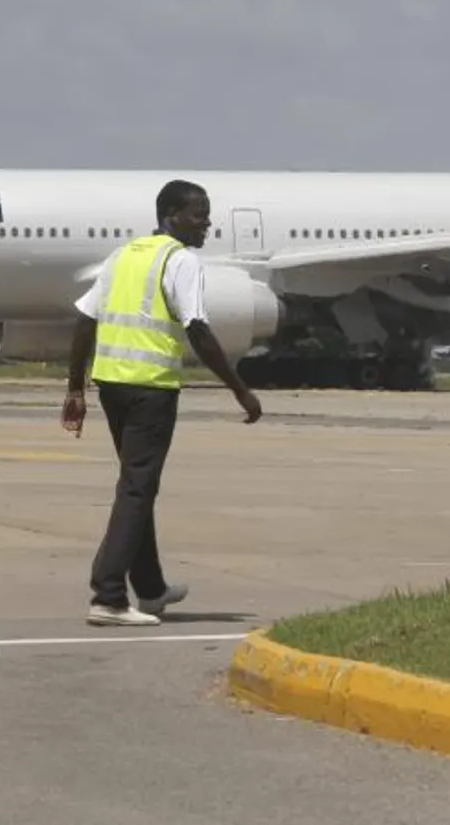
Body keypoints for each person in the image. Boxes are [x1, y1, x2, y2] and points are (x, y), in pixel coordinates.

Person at [63, 178, 263, 627]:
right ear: (172, 216)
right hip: (150, 390)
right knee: (137, 488)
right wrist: (239, 388)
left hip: (112, 385)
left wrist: (75, 388)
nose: (207, 223)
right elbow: (198, 329)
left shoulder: (124, 255)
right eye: (199, 214)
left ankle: (150, 589)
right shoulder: (181, 261)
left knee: (138, 485)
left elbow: (84, 319)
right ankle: (108, 596)